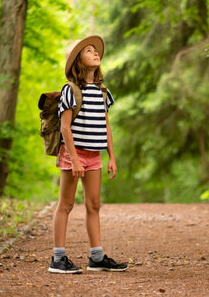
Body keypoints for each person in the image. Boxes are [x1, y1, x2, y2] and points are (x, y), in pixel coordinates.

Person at [48, 35, 128, 274]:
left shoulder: (103, 92)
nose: (96, 54)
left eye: (96, 51)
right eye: (89, 51)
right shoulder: (71, 90)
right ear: (78, 61)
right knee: (67, 204)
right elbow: (64, 127)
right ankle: (58, 259)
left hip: (94, 156)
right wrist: (73, 159)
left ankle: (97, 257)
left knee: (94, 204)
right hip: (73, 153)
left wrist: (111, 156)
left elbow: (106, 126)